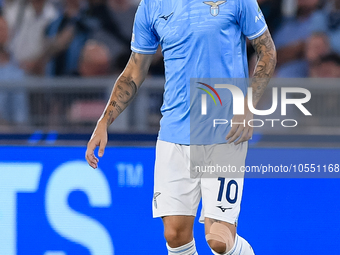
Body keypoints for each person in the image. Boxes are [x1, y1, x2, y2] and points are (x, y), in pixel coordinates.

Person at [86, 0, 276, 254]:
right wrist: (104, 122)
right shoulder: (151, 6)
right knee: (175, 235)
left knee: (219, 239)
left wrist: (248, 105)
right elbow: (134, 70)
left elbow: (267, 50)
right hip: (174, 131)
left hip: (224, 132)